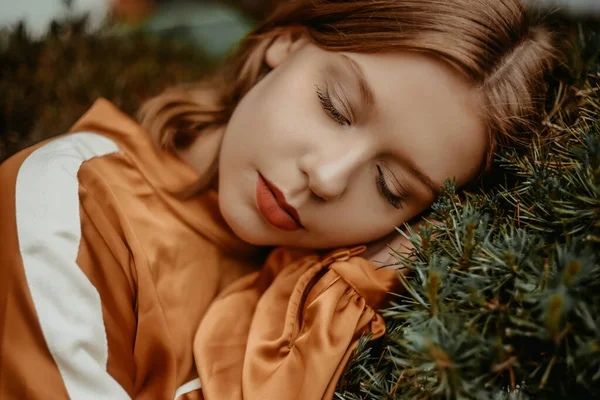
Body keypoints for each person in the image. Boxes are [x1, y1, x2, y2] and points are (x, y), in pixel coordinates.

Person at [0, 0, 558, 399]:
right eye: (334, 105)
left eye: (390, 187)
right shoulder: (66, 208)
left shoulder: (319, 279)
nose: (328, 178)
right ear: (285, 41)